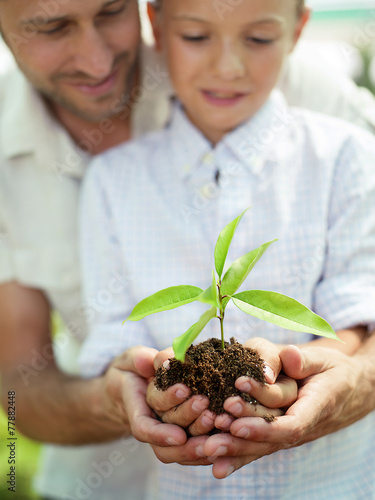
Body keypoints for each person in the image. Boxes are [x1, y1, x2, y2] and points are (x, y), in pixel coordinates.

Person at [0, 0, 374, 499]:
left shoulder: (333, 132)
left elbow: (357, 307)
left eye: (110, 13)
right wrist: (129, 385)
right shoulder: (115, 181)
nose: (227, 66)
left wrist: (326, 372)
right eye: (51, 26)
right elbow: (18, 383)